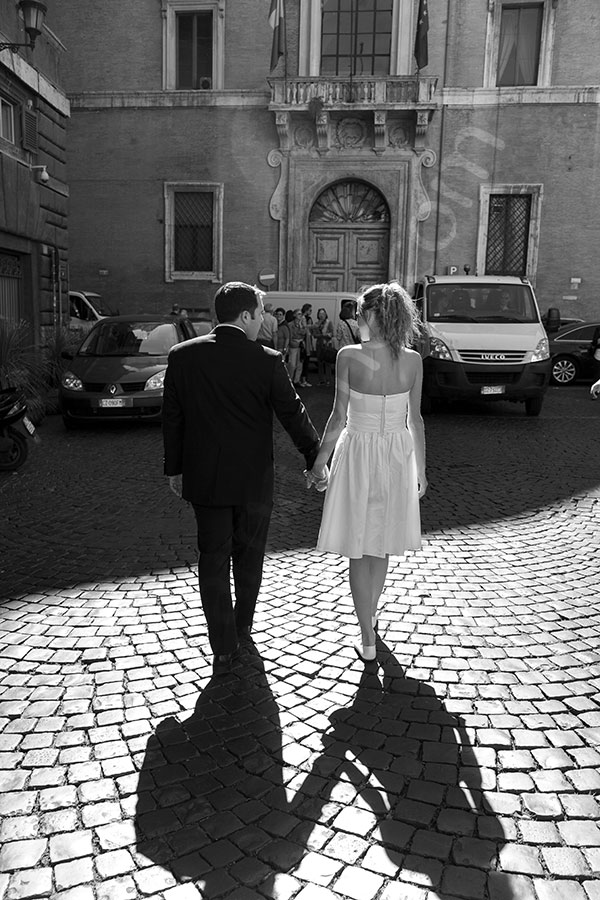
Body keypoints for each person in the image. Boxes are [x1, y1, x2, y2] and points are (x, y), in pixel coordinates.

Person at [162, 282, 320, 675]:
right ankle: (242, 625)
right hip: (253, 480)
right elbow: (292, 413)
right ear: (246, 316)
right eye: (262, 310)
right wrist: (314, 456)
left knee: (212, 560)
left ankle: (222, 643)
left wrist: (175, 469)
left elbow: (173, 417)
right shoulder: (266, 359)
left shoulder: (182, 356)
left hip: (205, 478)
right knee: (249, 558)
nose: (265, 317)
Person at [307, 281, 427, 662]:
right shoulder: (412, 360)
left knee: (360, 547)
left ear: (372, 315)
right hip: (396, 452)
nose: (355, 318)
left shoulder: (349, 356)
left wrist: (319, 463)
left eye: (359, 312)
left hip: (358, 451)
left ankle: (367, 635)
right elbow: (417, 420)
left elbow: (338, 417)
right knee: (381, 543)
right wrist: (421, 470)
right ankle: (370, 621)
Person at [312, 307, 335, 385]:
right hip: (319, 344)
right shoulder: (316, 324)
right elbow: (314, 335)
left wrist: (324, 335)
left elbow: (332, 333)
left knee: (328, 363)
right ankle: (321, 380)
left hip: (327, 344)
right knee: (320, 362)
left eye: (323, 314)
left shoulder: (329, 323)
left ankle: (328, 380)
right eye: (320, 314)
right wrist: (322, 335)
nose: (322, 315)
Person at [287, 309, 306, 387]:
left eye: (301, 314)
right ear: (294, 315)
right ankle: (290, 380)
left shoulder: (302, 324)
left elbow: (304, 333)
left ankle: (296, 380)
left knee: (300, 364)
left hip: (301, 346)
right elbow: (292, 335)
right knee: (292, 364)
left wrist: (301, 327)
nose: (300, 316)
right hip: (293, 345)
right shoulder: (290, 324)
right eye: (298, 314)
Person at [299, 303, 314, 387]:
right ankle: (303, 380)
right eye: (310, 310)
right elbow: (305, 327)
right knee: (304, 361)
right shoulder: (303, 318)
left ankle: (303, 379)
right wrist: (313, 326)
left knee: (305, 361)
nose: (311, 312)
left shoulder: (306, 318)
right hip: (305, 342)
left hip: (307, 341)